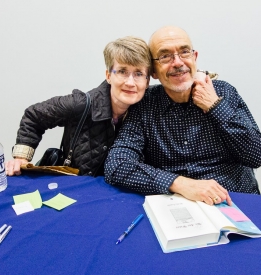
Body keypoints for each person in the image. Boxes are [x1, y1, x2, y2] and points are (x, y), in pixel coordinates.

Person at [104, 26, 261, 206]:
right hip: (174, 205)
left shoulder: (224, 93)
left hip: (235, 199)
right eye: (165, 56)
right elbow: (117, 165)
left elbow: (256, 156)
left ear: (194, 58)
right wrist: (179, 183)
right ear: (153, 72)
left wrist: (215, 106)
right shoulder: (144, 105)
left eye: (184, 52)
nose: (178, 63)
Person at [5, 36, 151, 176]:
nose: (130, 82)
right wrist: (21, 158)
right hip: (76, 185)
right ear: (108, 76)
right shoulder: (80, 103)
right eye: (122, 72)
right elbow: (34, 115)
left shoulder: (148, 108)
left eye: (138, 73)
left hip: (117, 190)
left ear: (147, 81)